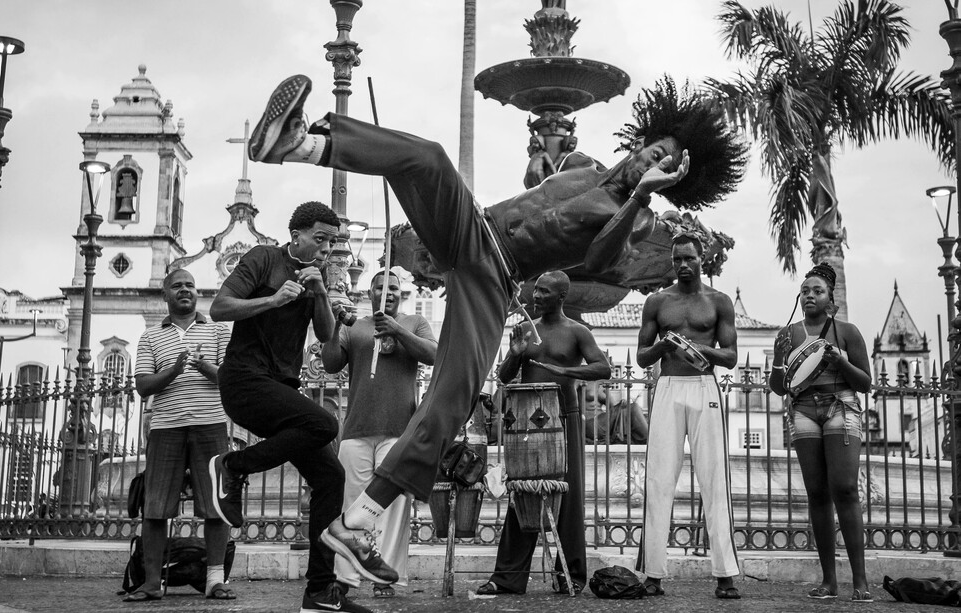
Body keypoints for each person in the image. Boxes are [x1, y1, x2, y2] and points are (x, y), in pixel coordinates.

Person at [245, 73, 747, 584]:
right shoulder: (582, 165)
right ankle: (299, 144)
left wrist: (640, 196)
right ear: (641, 142)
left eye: (664, 166)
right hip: (473, 230)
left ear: (670, 179)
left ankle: (358, 522)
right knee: (430, 158)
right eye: (654, 151)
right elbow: (542, 179)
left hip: (495, 278)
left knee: (452, 397)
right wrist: (540, 163)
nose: (650, 163)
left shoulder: (636, 224)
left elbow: (597, 259)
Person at [206, 201, 374, 613]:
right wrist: (275, 299)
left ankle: (319, 592)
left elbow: (325, 335)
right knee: (325, 423)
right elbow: (219, 307)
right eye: (319, 239)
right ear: (296, 234)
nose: (324, 249)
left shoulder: (314, 276)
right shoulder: (264, 258)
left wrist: (318, 293)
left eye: (331, 243)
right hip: (244, 380)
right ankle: (231, 466)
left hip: (280, 386)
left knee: (330, 477)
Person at [477, 271, 611, 596]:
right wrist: (515, 353)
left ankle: (570, 576)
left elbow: (602, 367)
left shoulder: (577, 332)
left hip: (565, 418)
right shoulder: (525, 329)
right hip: (526, 422)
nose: (536, 296)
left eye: (544, 292)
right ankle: (507, 577)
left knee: (568, 495)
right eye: (535, 290)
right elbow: (505, 377)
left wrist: (566, 371)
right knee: (522, 492)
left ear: (561, 296)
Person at [634, 234, 741, 599]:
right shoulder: (658, 301)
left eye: (689, 258)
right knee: (659, 480)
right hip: (667, 386)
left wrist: (701, 348)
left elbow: (731, 357)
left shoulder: (719, 302)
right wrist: (663, 345)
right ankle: (653, 574)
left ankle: (726, 575)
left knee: (714, 480)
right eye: (677, 258)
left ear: (702, 259)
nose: (683, 264)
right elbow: (641, 357)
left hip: (703, 386)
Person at [320, 269, 437, 598]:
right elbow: (330, 364)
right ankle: (346, 578)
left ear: (402, 294)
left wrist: (397, 330)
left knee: (392, 508)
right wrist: (333, 329)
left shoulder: (414, 323)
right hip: (356, 429)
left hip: (399, 431)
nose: (387, 292)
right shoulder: (354, 326)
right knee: (353, 507)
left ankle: (387, 577)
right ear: (368, 293)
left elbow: (432, 354)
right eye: (379, 286)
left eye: (394, 287)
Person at [126, 269, 235, 602]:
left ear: (197, 293)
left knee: (216, 506)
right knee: (156, 507)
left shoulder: (218, 330)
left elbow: (230, 378)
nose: (184, 290)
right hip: (165, 428)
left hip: (211, 424)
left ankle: (215, 581)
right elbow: (143, 385)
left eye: (189, 285)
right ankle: (150, 583)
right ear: (165, 295)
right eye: (177, 286)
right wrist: (173, 370)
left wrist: (203, 367)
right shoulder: (150, 337)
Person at [768, 262, 872, 603]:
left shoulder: (847, 331)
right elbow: (779, 388)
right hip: (804, 411)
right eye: (805, 291)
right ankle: (829, 581)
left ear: (830, 298)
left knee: (844, 488)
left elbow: (865, 383)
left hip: (841, 406)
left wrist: (840, 361)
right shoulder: (788, 334)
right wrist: (780, 361)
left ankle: (860, 580)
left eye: (817, 291)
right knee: (816, 492)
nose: (809, 295)